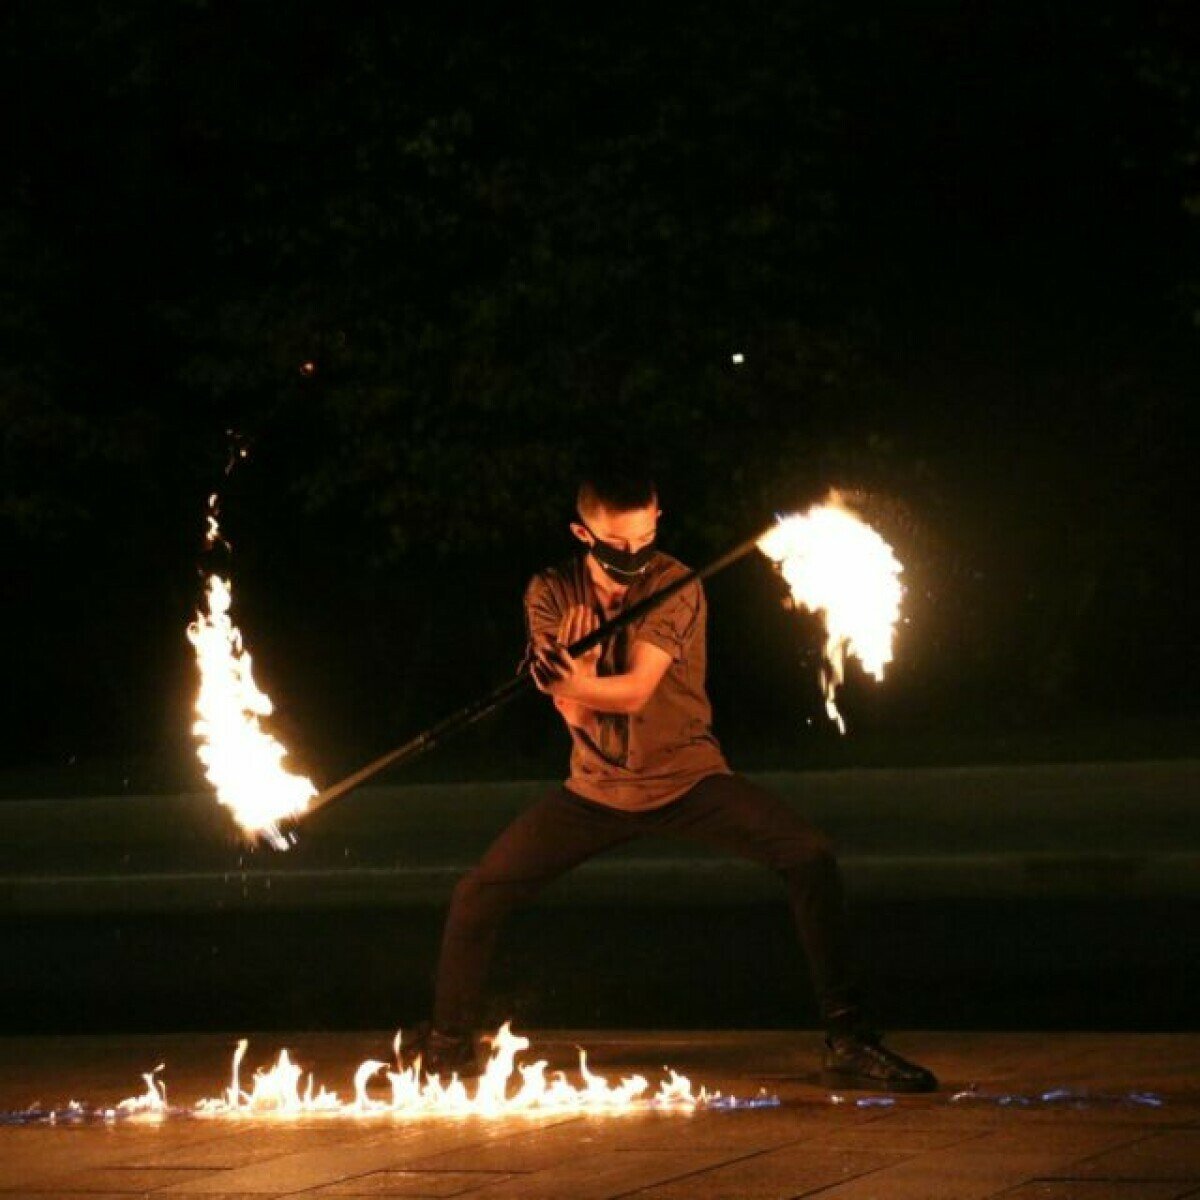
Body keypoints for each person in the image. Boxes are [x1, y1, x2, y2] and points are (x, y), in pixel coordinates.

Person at [411, 468, 937, 1092]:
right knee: (477, 894)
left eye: (645, 538)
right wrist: (571, 682)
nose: (633, 555)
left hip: (688, 780)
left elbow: (636, 690)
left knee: (810, 856)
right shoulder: (550, 591)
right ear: (582, 533)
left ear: (657, 522)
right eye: (616, 543)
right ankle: (447, 1049)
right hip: (595, 790)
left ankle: (850, 1041)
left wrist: (576, 680)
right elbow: (577, 713)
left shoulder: (676, 585)